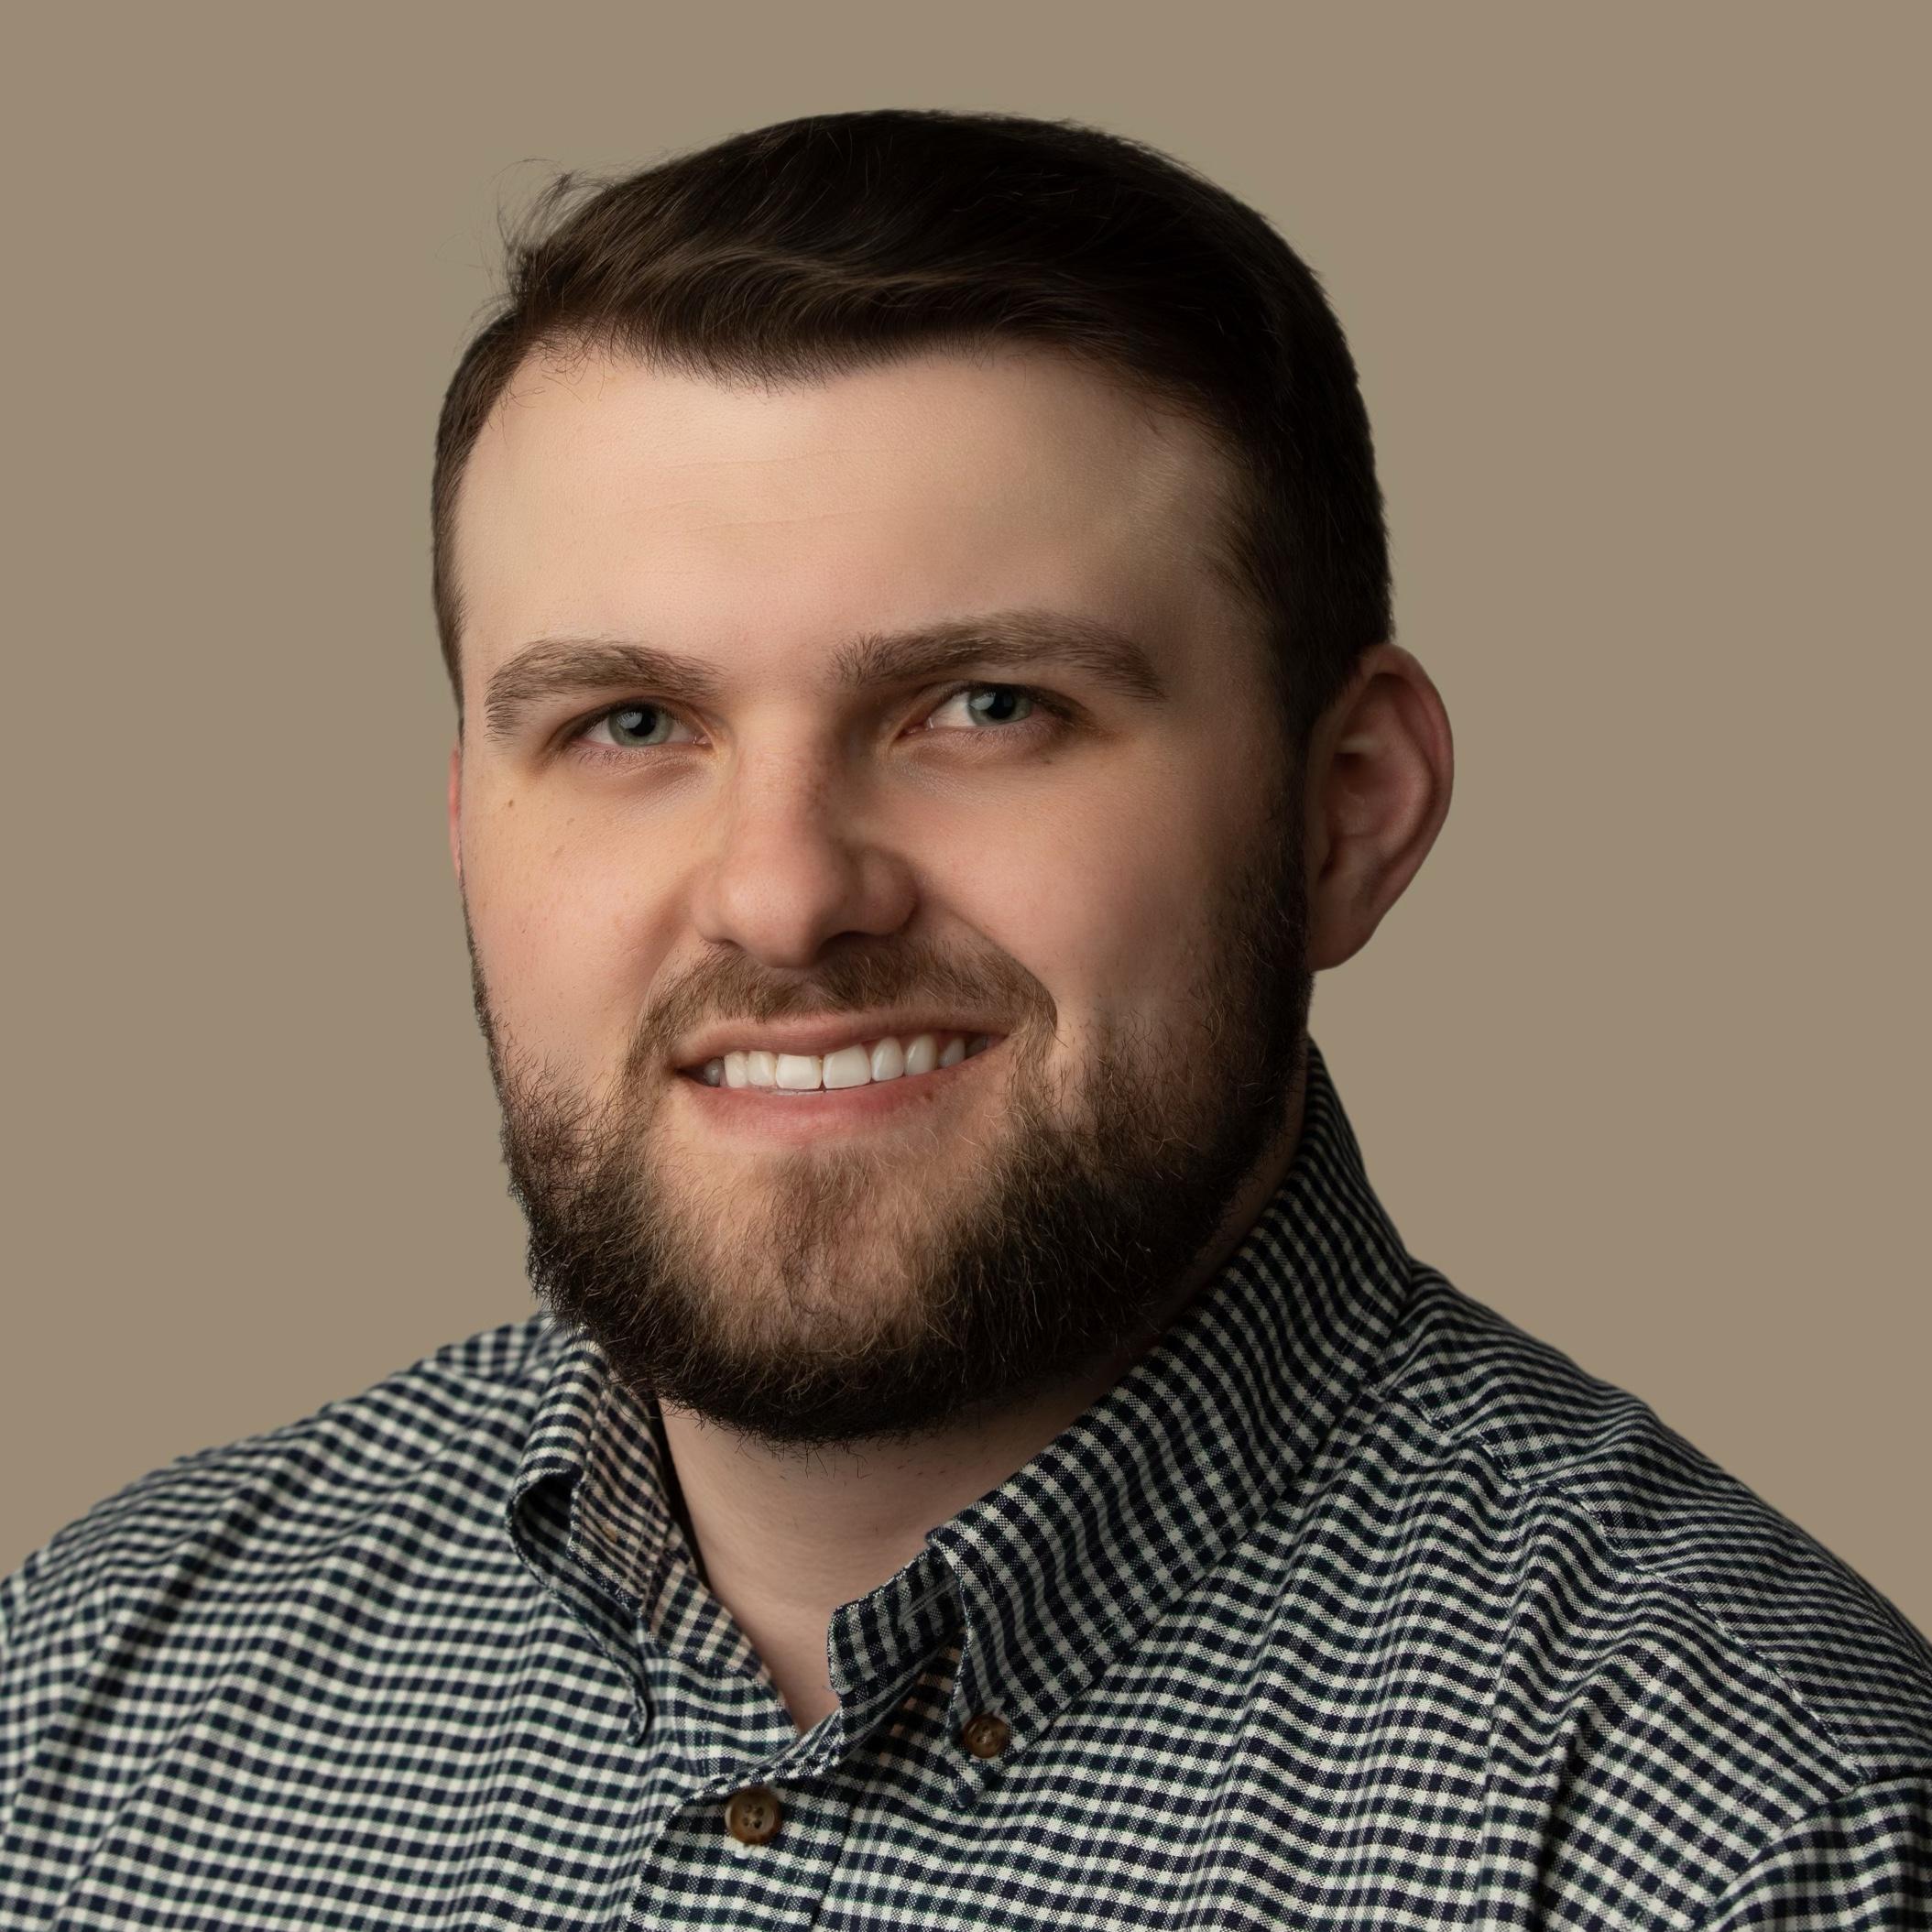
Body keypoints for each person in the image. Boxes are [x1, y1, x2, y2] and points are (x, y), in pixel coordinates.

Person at [3, 107, 1926, 1929]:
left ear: (1346, 807)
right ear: (461, 825)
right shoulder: (81, 1696)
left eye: (985, 707)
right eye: (630, 723)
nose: (782, 893)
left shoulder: (1749, 1837)